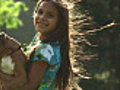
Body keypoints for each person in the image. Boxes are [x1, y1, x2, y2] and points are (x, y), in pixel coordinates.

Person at [23, 0, 72, 90]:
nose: (42, 17)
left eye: (50, 15)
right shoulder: (53, 46)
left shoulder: (44, 50)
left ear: (59, 22)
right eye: (40, 12)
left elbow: (28, 87)